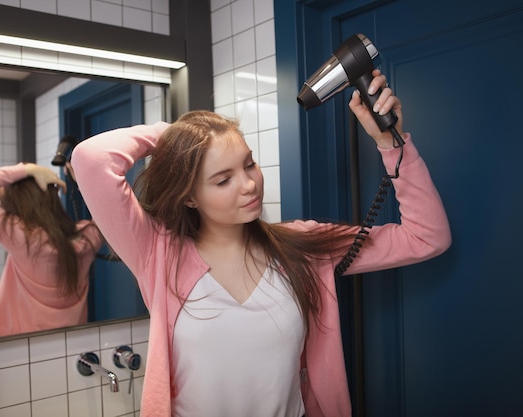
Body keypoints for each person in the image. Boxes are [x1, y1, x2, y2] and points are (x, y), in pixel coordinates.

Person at [71, 70, 451, 417]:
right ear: (189, 197)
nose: (249, 184)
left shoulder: (303, 246)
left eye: (249, 164)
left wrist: (391, 141)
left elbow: (426, 237)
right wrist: (178, 136)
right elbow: (90, 159)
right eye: (223, 179)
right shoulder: (158, 252)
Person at [0, 162, 104, 338]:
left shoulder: (22, 238)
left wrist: (27, 169)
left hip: (16, 348)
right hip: (70, 345)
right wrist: (86, 182)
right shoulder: (89, 237)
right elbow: (112, 210)